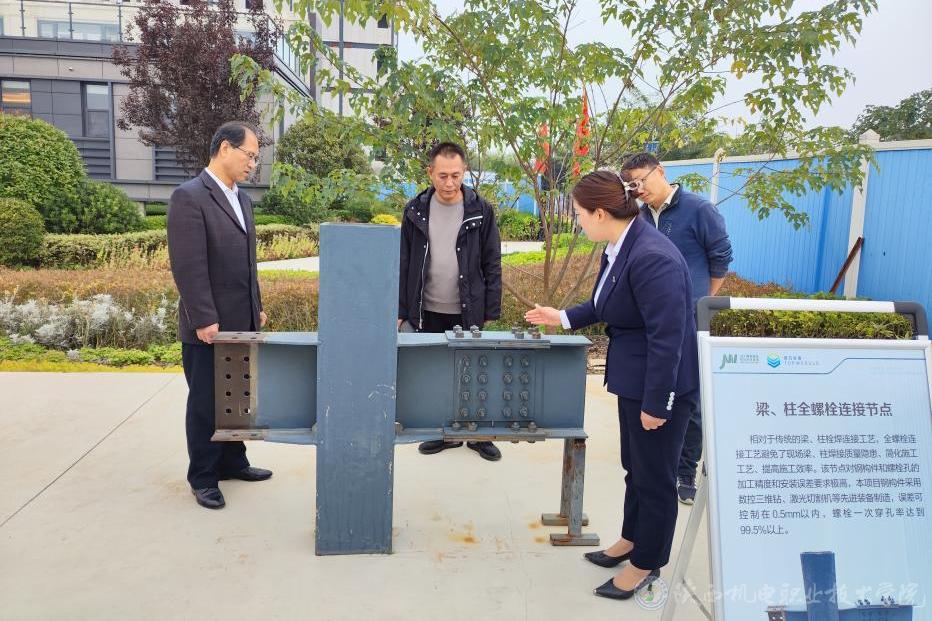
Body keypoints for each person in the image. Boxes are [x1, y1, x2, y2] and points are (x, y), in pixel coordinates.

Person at [525, 170, 698, 601]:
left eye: (579, 213)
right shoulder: (621, 244)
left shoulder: (652, 256)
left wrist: (657, 403)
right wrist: (562, 317)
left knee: (655, 478)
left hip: (659, 386)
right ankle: (631, 539)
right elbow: (606, 303)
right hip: (634, 379)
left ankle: (646, 563)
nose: (577, 220)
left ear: (600, 213)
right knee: (635, 467)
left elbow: (668, 337)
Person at [167, 121, 273, 510]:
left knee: (237, 398)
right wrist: (203, 318)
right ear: (225, 148)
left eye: (256, 158)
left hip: (242, 321)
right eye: (250, 156)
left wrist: (256, 306)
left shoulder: (242, 200)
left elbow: (248, 263)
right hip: (208, 327)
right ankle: (203, 477)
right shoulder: (189, 197)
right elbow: (188, 265)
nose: (253, 164)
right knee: (206, 403)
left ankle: (233, 461)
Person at [620, 152, 733, 505]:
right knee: (656, 388)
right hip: (651, 323)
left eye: (641, 181)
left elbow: (721, 258)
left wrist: (698, 300)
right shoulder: (639, 217)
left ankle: (685, 470)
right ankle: (660, 455)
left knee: (688, 396)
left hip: (690, 321)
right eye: (631, 186)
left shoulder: (699, 210)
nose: (639, 190)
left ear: (660, 171)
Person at [398, 141, 503, 462]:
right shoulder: (414, 210)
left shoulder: (480, 210)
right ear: (430, 173)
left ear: (464, 172)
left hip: (468, 308)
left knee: (475, 372)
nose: (449, 183)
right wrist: (400, 310)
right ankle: (441, 431)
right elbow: (403, 262)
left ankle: (478, 434)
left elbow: (492, 261)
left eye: (456, 175)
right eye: (442, 175)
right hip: (425, 308)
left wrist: (491, 309)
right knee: (435, 373)